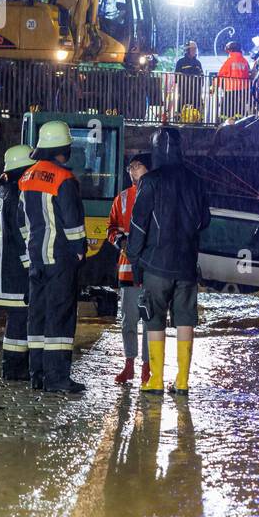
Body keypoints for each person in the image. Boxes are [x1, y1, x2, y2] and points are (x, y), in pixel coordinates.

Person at [127, 126, 211, 395]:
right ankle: (183, 380)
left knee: (154, 319)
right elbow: (205, 220)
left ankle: (156, 380)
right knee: (186, 319)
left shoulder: (150, 182)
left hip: (156, 264)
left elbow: (138, 225)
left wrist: (134, 257)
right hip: (186, 265)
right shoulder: (195, 181)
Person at [19, 120, 88, 394]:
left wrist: (30, 253)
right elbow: (72, 221)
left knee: (37, 316)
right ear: (63, 149)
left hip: (36, 259)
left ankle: (37, 374)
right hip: (60, 258)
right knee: (60, 317)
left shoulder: (26, 177)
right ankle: (57, 378)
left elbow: (22, 222)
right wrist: (80, 248)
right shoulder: (64, 179)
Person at [0, 144, 35, 381]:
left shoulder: (2, 191)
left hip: (1, 270)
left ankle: (11, 367)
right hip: (14, 271)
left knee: (15, 321)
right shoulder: (17, 193)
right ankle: (15, 369)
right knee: (20, 320)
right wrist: (32, 267)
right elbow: (21, 235)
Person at [106, 152, 151, 384]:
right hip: (128, 269)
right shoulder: (122, 198)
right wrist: (120, 242)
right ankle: (130, 364)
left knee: (150, 320)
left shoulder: (158, 196)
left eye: (138, 166)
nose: (133, 171)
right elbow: (111, 229)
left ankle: (146, 367)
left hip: (151, 270)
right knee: (128, 320)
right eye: (130, 167)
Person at [213, 40, 251, 120]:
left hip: (231, 90)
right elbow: (248, 74)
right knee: (240, 111)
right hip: (243, 91)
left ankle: (225, 126)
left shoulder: (229, 61)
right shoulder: (245, 61)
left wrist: (214, 87)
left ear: (230, 50)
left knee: (226, 111)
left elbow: (220, 74)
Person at [174, 40, 204, 120]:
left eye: (195, 49)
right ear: (187, 50)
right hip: (184, 91)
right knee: (182, 106)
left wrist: (200, 85)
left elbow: (202, 76)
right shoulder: (180, 62)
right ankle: (180, 119)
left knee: (197, 107)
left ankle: (198, 120)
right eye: (192, 49)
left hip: (196, 91)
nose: (194, 51)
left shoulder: (198, 63)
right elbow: (176, 76)